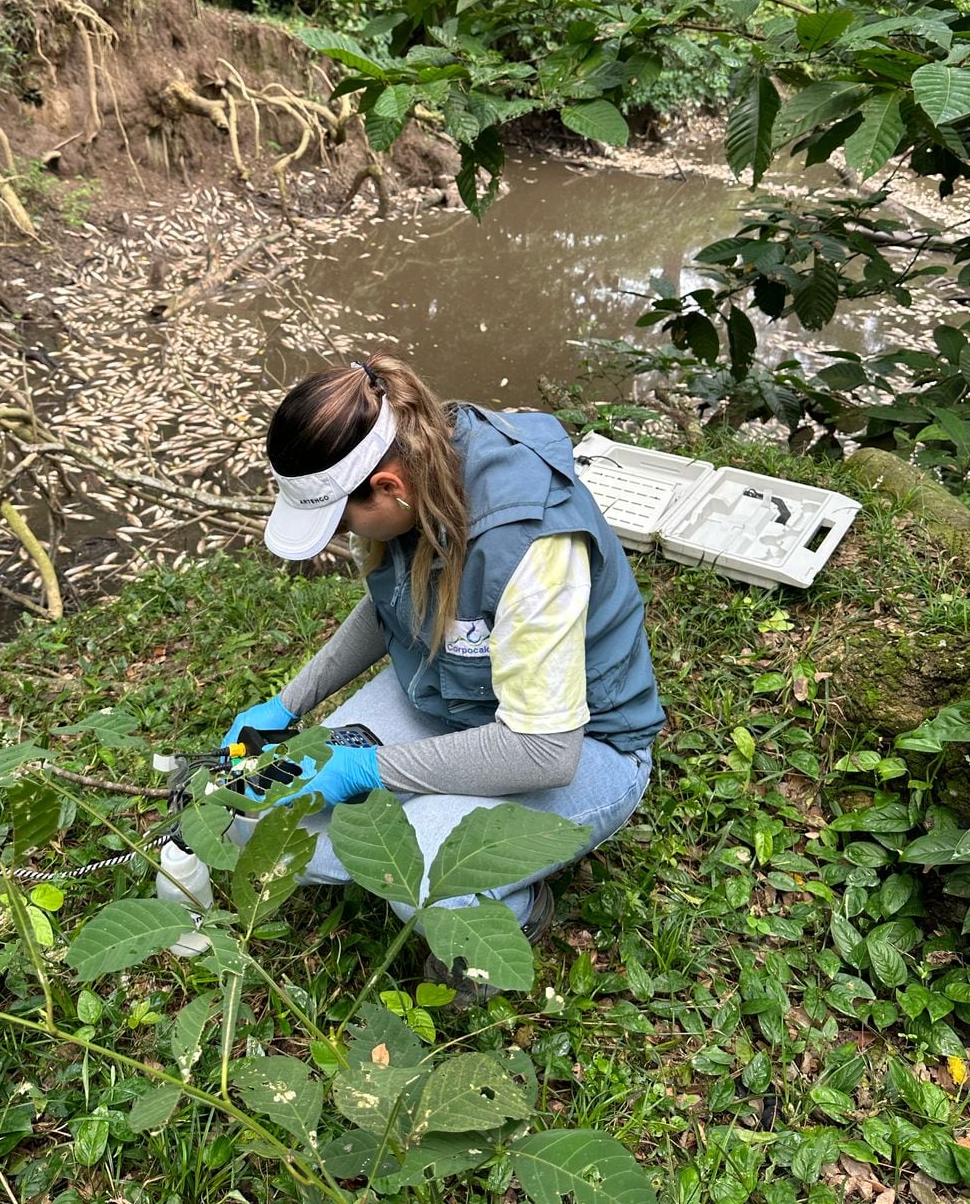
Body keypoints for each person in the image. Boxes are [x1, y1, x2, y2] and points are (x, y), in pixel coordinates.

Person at [222, 353, 664, 988]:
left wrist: (367, 769)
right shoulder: (408, 479)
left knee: (416, 878)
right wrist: (288, 704)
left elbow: (545, 753)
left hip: (585, 747)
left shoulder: (531, 546)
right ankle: (435, 814)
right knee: (263, 815)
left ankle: (511, 914)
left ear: (388, 489)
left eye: (342, 516)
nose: (343, 532)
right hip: (454, 700)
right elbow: (388, 607)